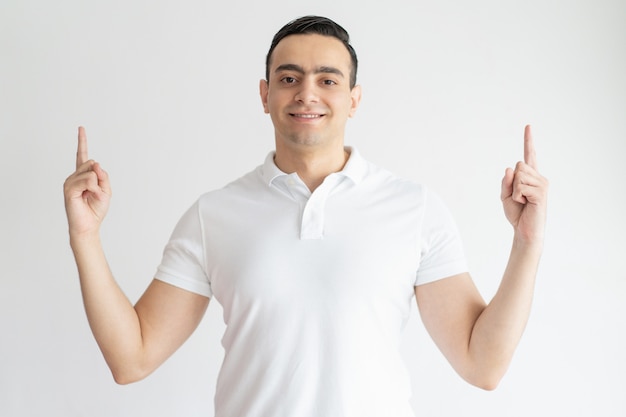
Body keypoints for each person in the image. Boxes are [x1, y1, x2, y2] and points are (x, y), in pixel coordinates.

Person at [63, 15, 548, 417]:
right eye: (289, 78)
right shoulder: (214, 215)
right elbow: (132, 358)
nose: (306, 94)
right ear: (265, 94)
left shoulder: (414, 208)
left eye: (328, 80)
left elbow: (482, 365)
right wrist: (85, 237)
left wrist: (526, 245)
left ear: (354, 99)